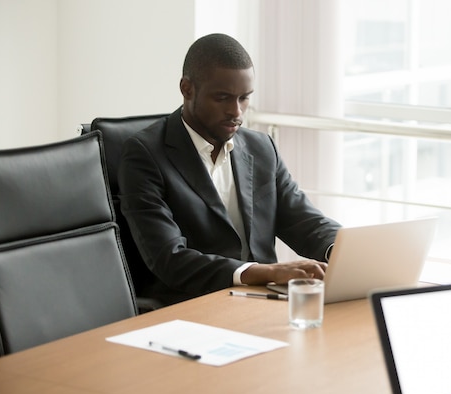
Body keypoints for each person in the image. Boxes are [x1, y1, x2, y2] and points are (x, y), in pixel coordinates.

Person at [118, 33, 341, 306]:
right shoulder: (144, 155)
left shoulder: (260, 148)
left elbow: (304, 222)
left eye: (244, 98)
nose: (236, 112)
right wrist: (267, 272)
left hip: (264, 302)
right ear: (187, 89)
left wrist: (343, 253)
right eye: (222, 98)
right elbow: (169, 258)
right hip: (193, 306)